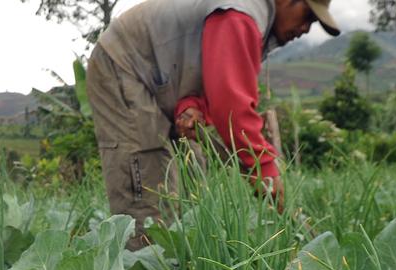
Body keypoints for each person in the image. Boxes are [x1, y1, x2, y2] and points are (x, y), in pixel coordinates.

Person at [88, 0, 340, 236]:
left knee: (194, 171)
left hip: (159, 79)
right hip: (125, 64)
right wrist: (264, 167)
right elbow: (233, 108)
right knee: (148, 180)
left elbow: (212, 81)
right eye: (307, 16)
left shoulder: (252, 20)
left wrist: (191, 106)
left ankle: (178, 267)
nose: (306, 29)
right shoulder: (240, 15)